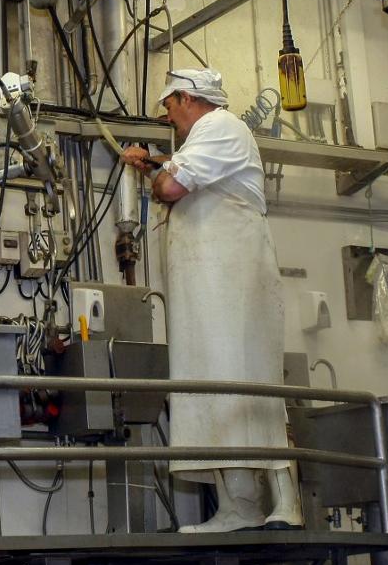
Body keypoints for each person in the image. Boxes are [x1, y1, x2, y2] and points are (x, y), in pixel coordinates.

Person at [121, 68, 302, 533]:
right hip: (205, 292)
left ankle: (286, 503)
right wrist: (158, 162)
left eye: (168, 106)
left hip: (234, 281)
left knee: (250, 380)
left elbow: (172, 188)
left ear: (186, 96)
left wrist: (159, 173)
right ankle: (239, 505)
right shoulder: (199, 141)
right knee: (214, 385)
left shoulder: (221, 127)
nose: (169, 117)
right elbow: (177, 174)